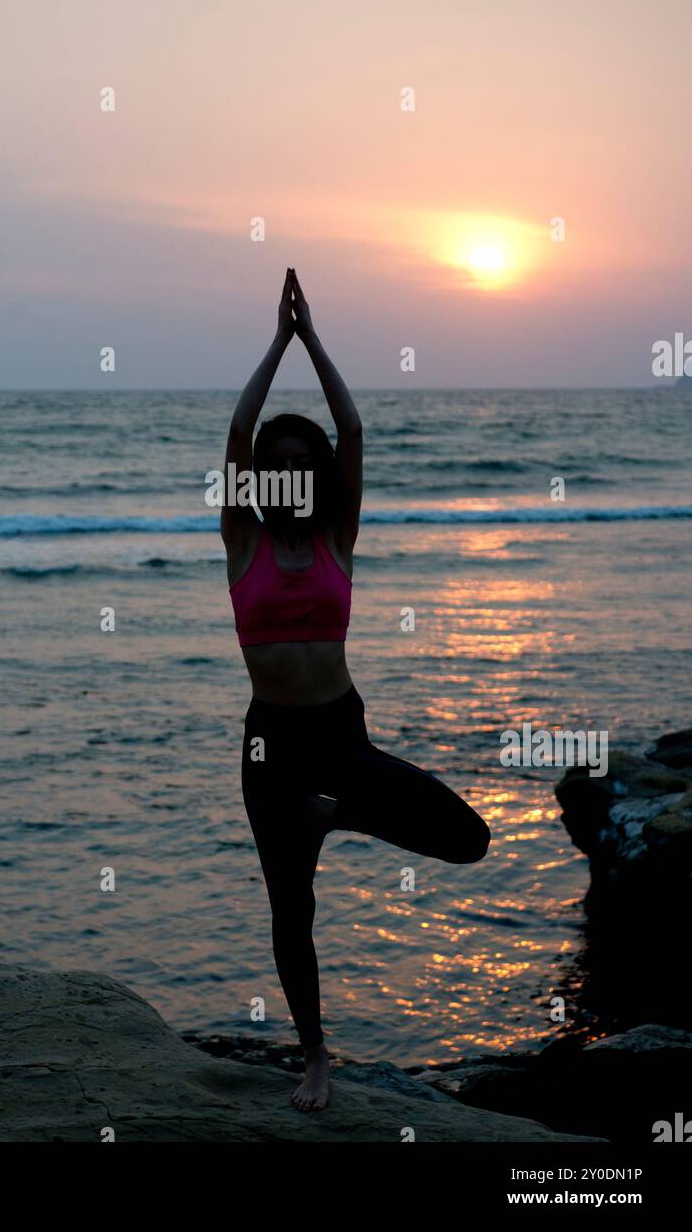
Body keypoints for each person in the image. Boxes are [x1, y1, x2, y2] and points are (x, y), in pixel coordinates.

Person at [222, 268, 490, 1112]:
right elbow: (237, 430)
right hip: (271, 742)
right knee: (290, 908)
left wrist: (313, 337)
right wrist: (276, 343)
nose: (292, 470)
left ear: (321, 473)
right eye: (279, 463)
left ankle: (338, 810)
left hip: (339, 733)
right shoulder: (244, 539)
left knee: (469, 838)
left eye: (305, 461)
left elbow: (352, 425)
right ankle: (315, 1057)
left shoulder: (340, 536)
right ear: (263, 478)